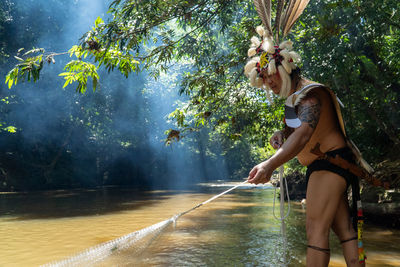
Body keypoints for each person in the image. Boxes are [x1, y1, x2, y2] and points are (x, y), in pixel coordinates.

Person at [243, 19, 369, 266]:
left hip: (329, 165)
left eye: (270, 75)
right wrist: (281, 136)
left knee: (315, 231)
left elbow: (302, 136)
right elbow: (295, 132)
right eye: (263, 78)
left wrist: (268, 165)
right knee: (345, 232)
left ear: (285, 68)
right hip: (333, 166)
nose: (268, 82)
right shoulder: (296, 97)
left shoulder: (309, 95)